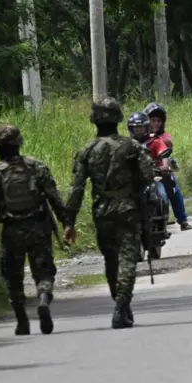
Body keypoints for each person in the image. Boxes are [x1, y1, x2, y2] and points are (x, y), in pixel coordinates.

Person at [63, 98, 156, 329]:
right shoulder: (132, 147)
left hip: (102, 211)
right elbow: (147, 176)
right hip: (129, 210)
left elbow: (76, 190)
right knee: (128, 259)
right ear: (119, 119)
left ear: (94, 120)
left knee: (111, 259)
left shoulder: (87, 151)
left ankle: (120, 303)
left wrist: (69, 222)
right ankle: (122, 305)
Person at [0, 124, 70, 335]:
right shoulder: (36, 167)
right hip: (39, 226)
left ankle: (22, 321)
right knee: (44, 271)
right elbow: (54, 198)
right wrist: (66, 223)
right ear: (19, 143)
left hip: (12, 231)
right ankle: (44, 299)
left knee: (13, 276)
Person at [143, 102, 191, 231]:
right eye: (153, 120)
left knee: (174, 192)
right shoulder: (140, 136)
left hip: (160, 171)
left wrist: (165, 167)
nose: (156, 123)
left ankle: (182, 220)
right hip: (142, 172)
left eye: (159, 121)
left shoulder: (163, 137)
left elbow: (167, 146)